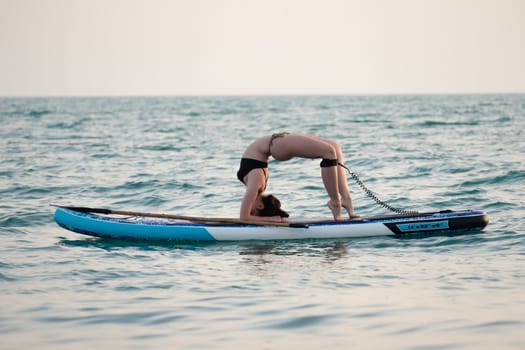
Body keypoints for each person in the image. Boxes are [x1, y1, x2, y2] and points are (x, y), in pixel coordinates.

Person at [237, 132, 358, 222]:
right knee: (330, 152)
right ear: (260, 206)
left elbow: (245, 217)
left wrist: (270, 219)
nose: (247, 207)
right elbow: (244, 217)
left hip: (276, 142)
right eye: (253, 211)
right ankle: (335, 202)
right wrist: (271, 219)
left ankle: (346, 200)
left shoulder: (256, 186)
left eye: (251, 211)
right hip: (276, 145)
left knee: (335, 148)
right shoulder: (257, 183)